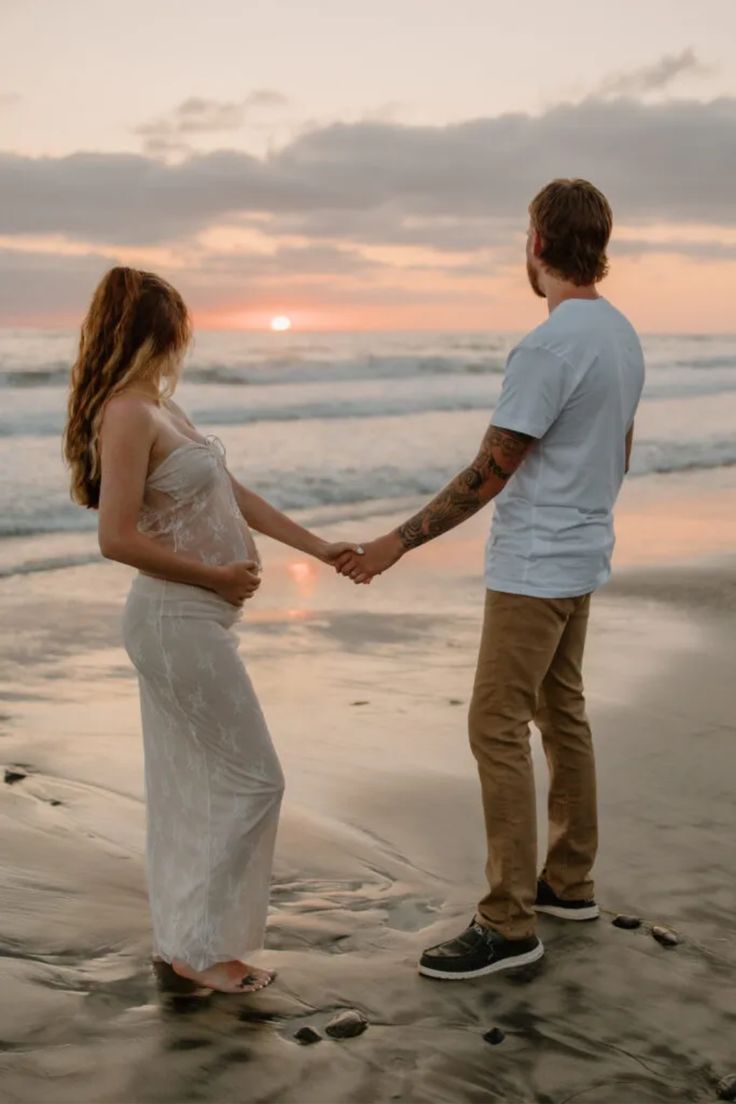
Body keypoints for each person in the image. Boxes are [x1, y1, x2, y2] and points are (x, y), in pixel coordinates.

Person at [335, 179, 645, 980]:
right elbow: (621, 448)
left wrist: (395, 542)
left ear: (537, 243)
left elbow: (489, 471)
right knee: (561, 710)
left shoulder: (548, 346)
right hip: (581, 553)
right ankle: (568, 881)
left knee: (495, 726)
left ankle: (508, 921)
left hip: (536, 566)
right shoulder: (620, 334)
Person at [64, 267, 358, 994]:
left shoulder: (163, 408)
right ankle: (201, 949)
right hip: (173, 618)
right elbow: (116, 537)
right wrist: (216, 577)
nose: (181, 348)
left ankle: (184, 942)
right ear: (153, 333)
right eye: (176, 333)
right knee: (255, 780)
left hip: (194, 621)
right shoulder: (128, 414)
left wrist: (318, 547)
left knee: (189, 786)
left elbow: (236, 494)